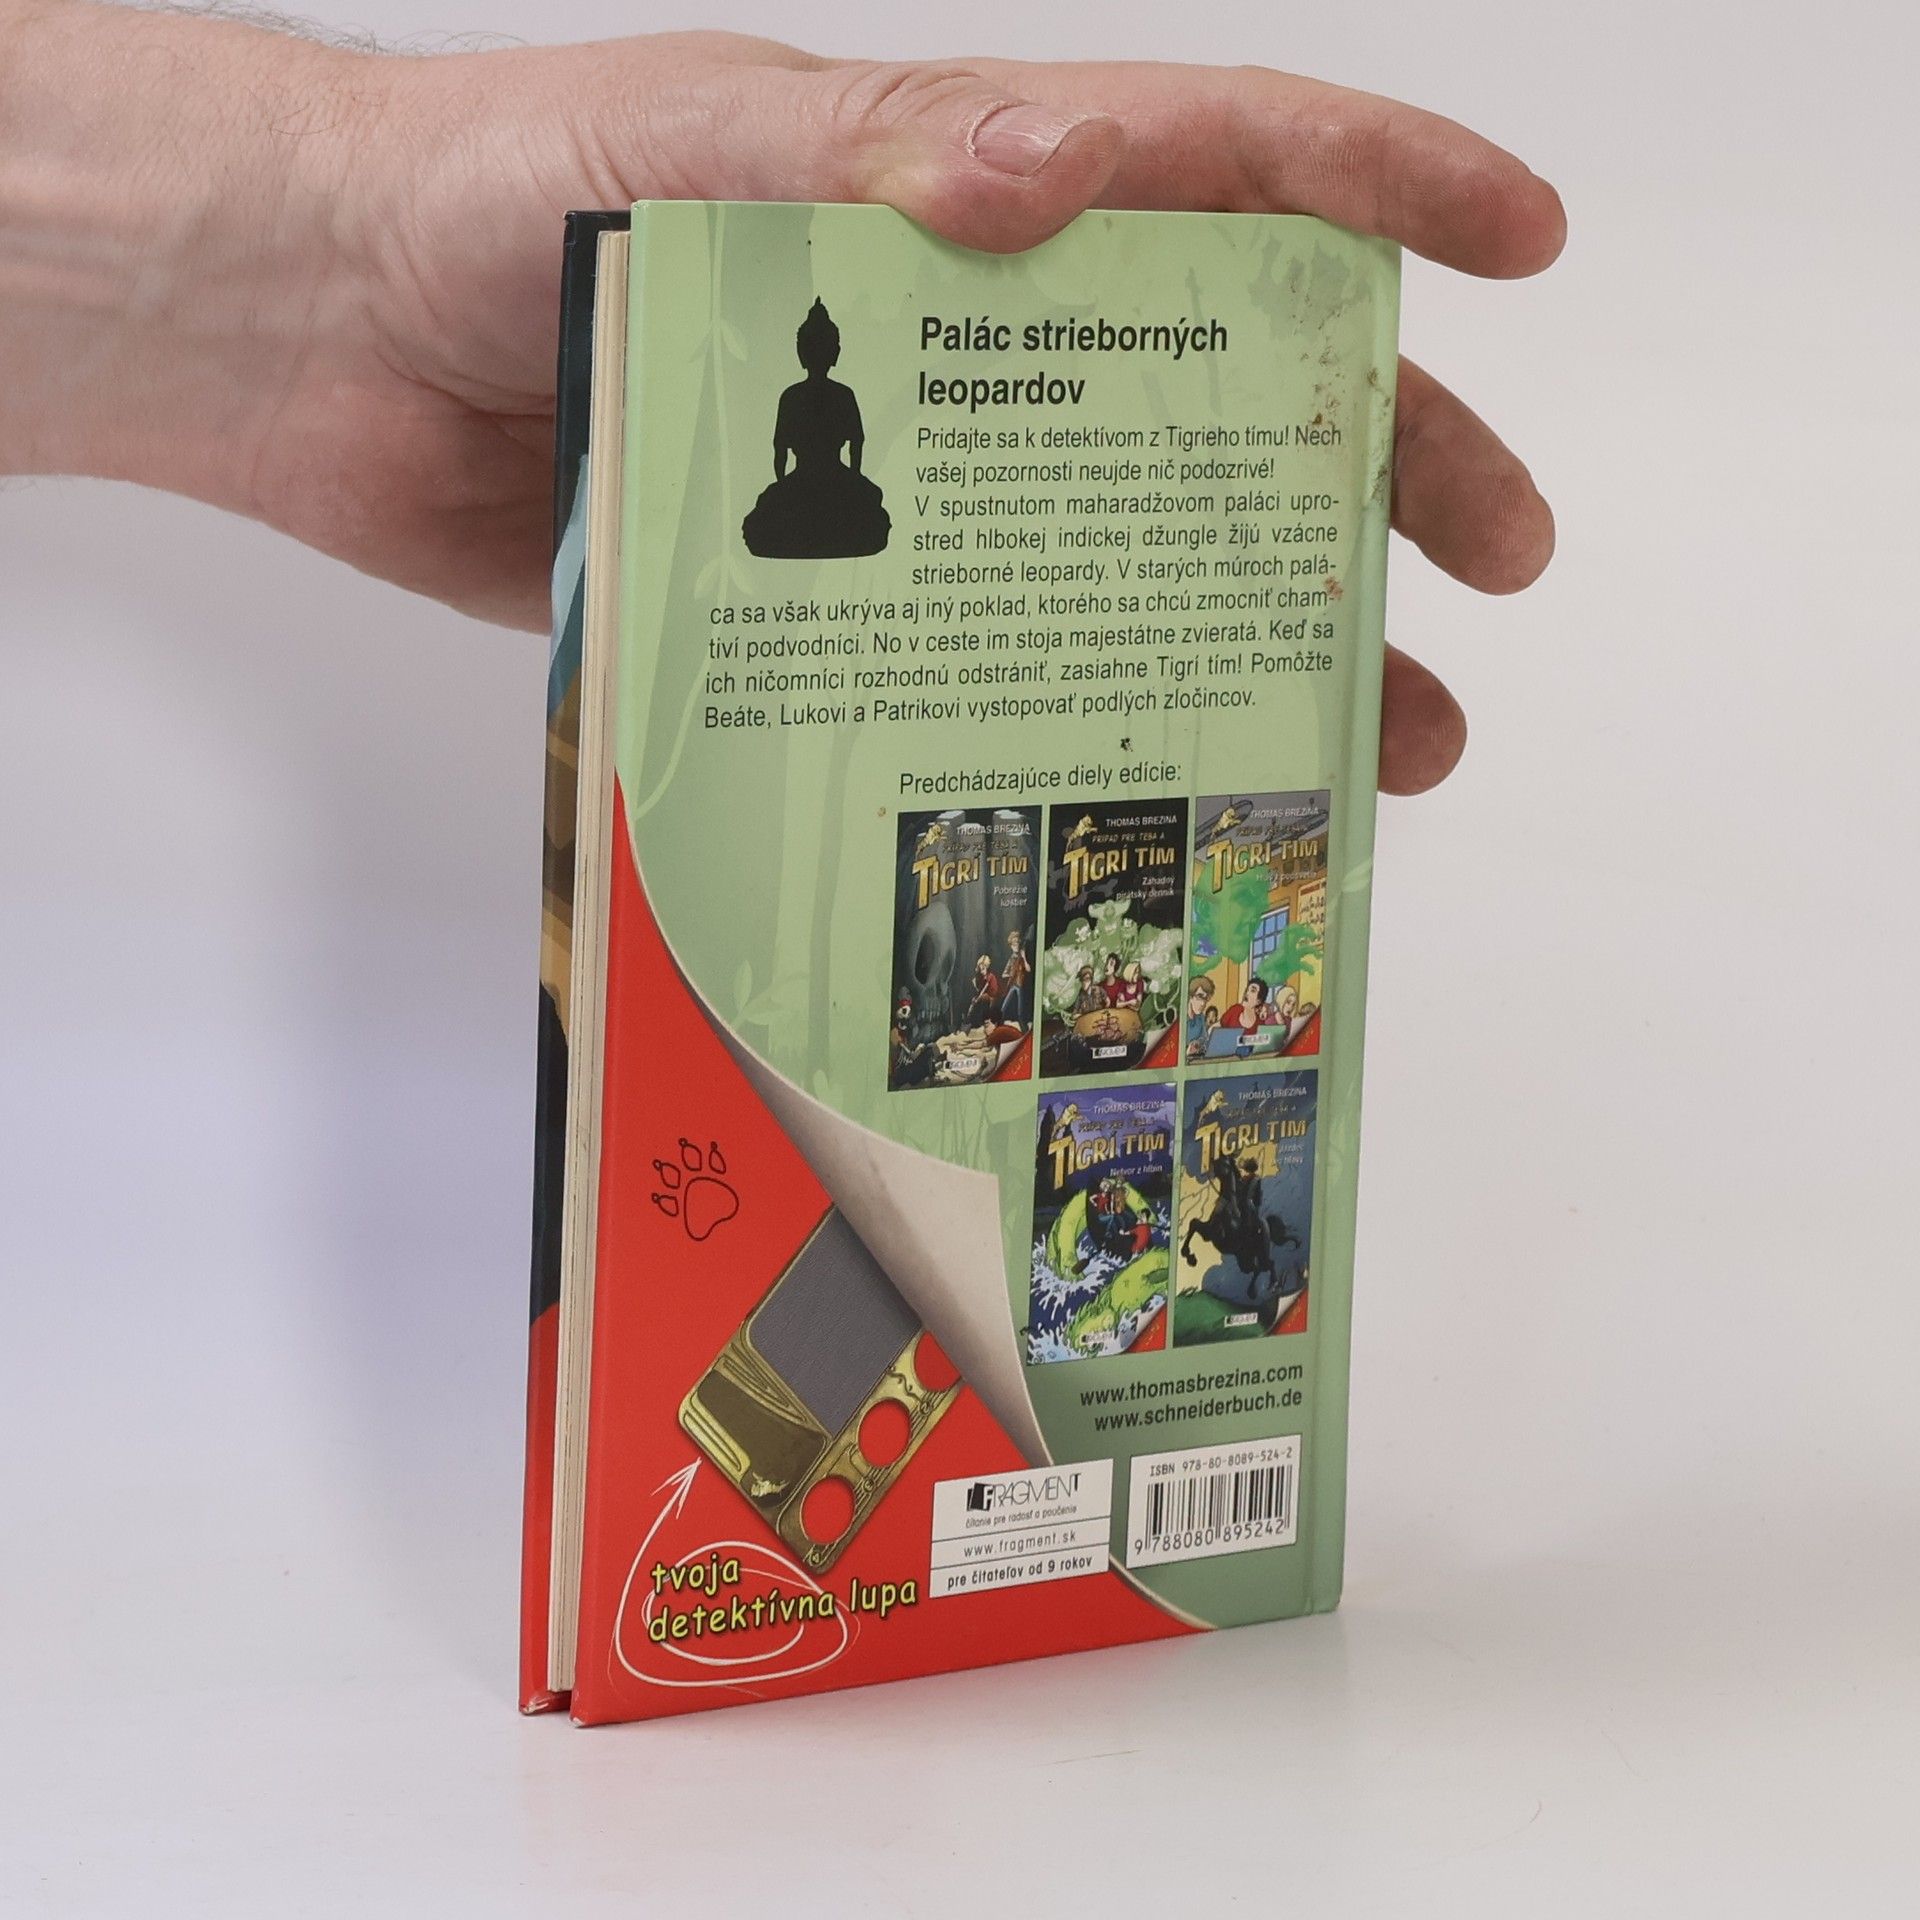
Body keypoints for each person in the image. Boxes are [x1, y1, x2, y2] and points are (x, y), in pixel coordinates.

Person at [0, 11, 1562, 797]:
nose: (818, 379)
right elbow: (821, 450)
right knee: (806, 501)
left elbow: (849, 454)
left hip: (845, 517)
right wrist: (335, 259)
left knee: (842, 501)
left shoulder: (834, 410)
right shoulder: (805, 401)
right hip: (798, 515)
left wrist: (333, 246)